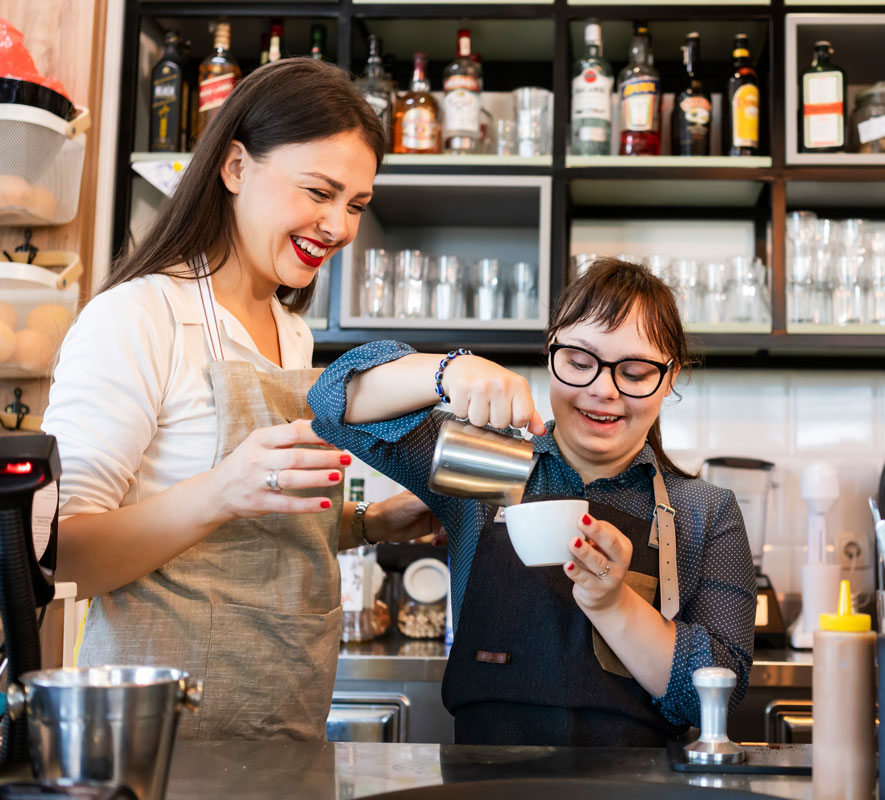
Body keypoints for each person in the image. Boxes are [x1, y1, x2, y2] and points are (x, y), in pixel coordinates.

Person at [41, 59, 439, 741]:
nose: (339, 226)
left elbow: (257, 529)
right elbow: (59, 551)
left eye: (355, 205)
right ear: (234, 167)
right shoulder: (139, 317)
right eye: (318, 190)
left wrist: (371, 522)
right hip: (156, 736)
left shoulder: (292, 333)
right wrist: (223, 488)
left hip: (280, 718)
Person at [308, 258, 756, 747]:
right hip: (482, 781)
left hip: (637, 787)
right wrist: (448, 371)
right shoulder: (482, 462)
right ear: (550, 355)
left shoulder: (703, 511)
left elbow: (718, 694)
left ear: (669, 379)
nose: (602, 390)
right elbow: (330, 404)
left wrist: (614, 604)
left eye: (635, 371)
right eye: (580, 362)